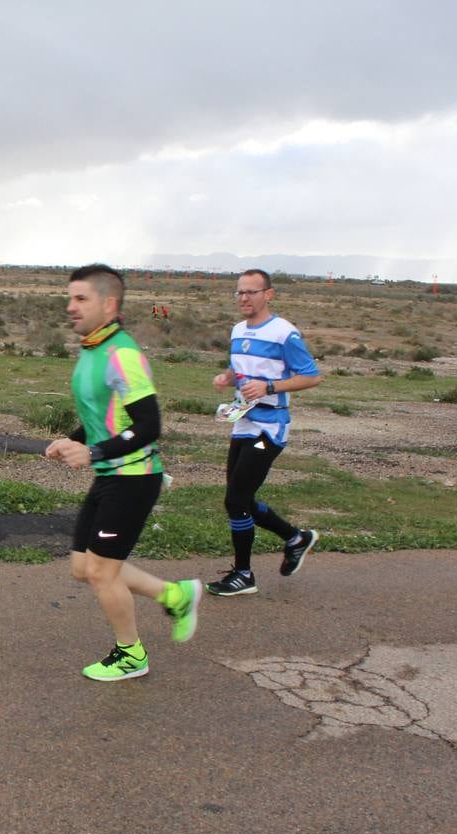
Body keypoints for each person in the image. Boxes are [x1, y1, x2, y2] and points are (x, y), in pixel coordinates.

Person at [45, 263, 202, 682]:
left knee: (101, 572)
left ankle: (132, 654)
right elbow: (103, 416)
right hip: (112, 474)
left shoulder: (123, 355)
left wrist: (92, 451)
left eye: (81, 299)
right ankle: (174, 594)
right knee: (83, 568)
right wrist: (72, 440)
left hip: (134, 478)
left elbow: (149, 426)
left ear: (109, 304)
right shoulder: (94, 349)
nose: (71, 307)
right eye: (70, 298)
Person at [206, 269, 323, 596]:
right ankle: (296, 538)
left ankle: (244, 574)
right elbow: (242, 370)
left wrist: (270, 386)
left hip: (270, 425)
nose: (244, 298)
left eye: (251, 292)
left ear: (268, 295)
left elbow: (312, 376)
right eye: (239, 292)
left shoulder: (284, 333)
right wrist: (228, 378)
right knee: (238, 500)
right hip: (243, 422)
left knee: (236, 499)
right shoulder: (238, 329)